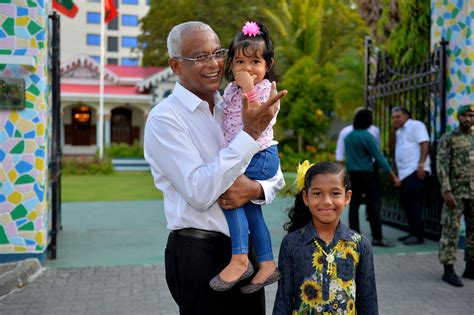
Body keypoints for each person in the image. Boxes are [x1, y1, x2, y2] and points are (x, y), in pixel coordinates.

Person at [144, 21, 286, 315]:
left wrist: (257, 189)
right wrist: (249, 134)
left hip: (246, 253)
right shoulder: (165, 119)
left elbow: (272, 168)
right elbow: (199, 191)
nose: (214, 64)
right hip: (199, 252)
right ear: (175, 65)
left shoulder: (231, 103)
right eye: (199, 57)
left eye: (218, 53)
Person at [209, 21, 281, 293]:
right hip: (243, 156)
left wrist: (248, 85)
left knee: (231, 196)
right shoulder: (230, 90)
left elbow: (257, 114)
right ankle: (266, 263)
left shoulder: (265, 90)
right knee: (251, 209)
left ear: (268, 63)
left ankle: (240, 258)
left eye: (254, 61)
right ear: (230, 65)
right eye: (239, 61)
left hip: (260, 155)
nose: (247, 68)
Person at [273, 161, 378, 314]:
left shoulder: (360, 245)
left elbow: (368, 302)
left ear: (347, 197)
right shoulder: (291, 243)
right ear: (306, 197)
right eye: (317, 193)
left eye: (335, 193)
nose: (327, 201)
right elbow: (283, 300)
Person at [344, 109, 400, 247]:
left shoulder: (348, 137)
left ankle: (353, 238)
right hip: (367, 175)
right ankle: (377, 237)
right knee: (374, 206)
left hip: (352, 175)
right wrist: (392, 176)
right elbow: (379, 157)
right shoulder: (368, 136)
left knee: (354, 206)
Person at [436, 104, 474, 287]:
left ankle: (471, 267)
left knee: (473, 232)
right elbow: (442, 165)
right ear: (458, 118)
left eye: (471, 115)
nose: (468, 118)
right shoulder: (448, 139)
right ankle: (448, 270)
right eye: (465, 115)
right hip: (455, 192)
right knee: (451, 230)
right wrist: (446, 190)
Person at [390, 106, 431, 245]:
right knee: (406, 203)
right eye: (393, 117)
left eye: (398, 116)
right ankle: (412, 232)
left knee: (413, 204)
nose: (395, 119)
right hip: (404, 173)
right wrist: (393, 130)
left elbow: (425, 143)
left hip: (415, 170)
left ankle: (418, 236)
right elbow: (391, 148)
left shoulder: (416, 125)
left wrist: (421, 165)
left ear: (406, 115)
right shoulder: (399, 131)